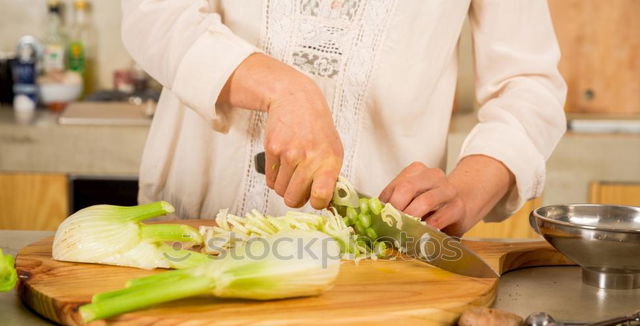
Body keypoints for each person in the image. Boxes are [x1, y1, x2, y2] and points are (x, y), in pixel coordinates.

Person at [121, 0, 566, 235]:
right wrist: (287, 90)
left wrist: (468, 191)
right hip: (195, 238)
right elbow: (154, 14)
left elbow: (529, 83)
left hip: (377, 258)